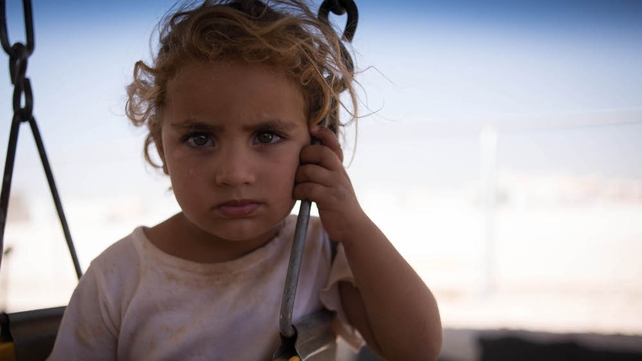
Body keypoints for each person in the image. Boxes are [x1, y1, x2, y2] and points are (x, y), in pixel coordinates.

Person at [48, 0, 442, 360]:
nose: (234, 173)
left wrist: (355, 228)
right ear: (161, 148)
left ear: (316, 144)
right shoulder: (117, 280)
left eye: (266, 136)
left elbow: (416, 348)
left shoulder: (321, 251)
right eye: (199, 138)